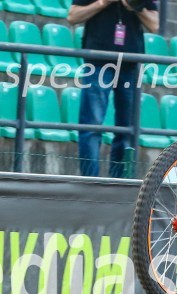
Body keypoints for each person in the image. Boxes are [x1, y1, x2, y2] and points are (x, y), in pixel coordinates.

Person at [68, 0, 158, 178]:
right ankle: (89, 181)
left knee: (128, 128)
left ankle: (120, 180)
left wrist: (133, 6)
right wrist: (103, 2)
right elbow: (73, 16)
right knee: (91, 125)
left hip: (131, 63)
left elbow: (154, 24)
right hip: (97, 60)